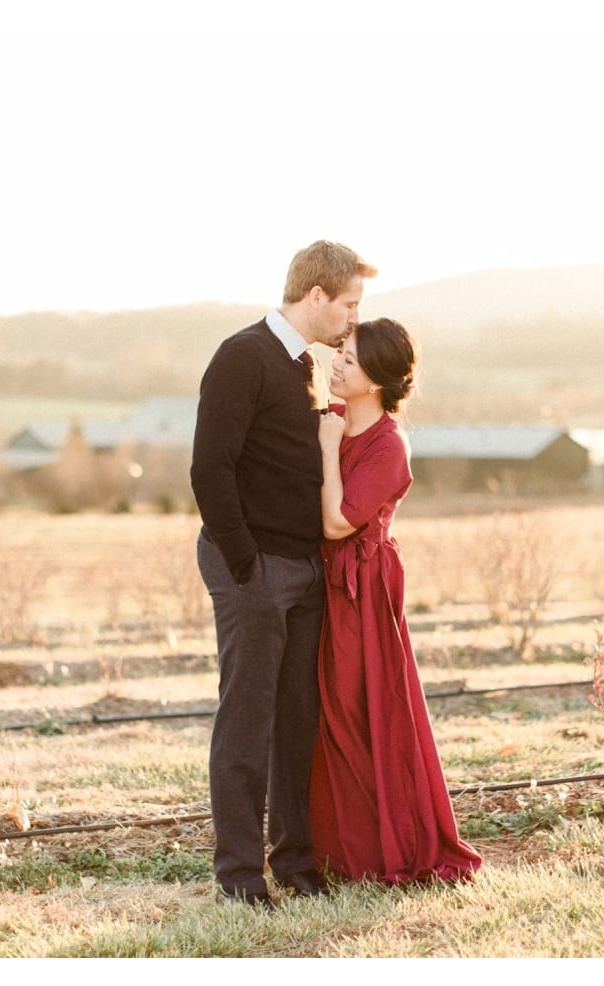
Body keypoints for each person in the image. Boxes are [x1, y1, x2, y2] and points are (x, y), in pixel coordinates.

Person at [190, 240, 378, 908]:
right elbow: (210, 468)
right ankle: (239, 876)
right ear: (317, 296)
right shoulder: (243, 356)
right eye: (350, 304)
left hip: (304, 569)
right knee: (247, 719)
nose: (356, 318)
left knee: (297, 721)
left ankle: (295, 863)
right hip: (255, 568)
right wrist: (245, 564)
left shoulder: (311, 367)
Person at [309, 317, 483, 885]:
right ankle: (334, 848)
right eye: (339, 353)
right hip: (321, 584)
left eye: (350, 361)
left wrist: (329, 449)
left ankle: (376, 848)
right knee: (325, 718)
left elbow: (337, 524)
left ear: (378, 380)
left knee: (360, 712)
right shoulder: (331, 421)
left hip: (362, 593)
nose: (336, 364)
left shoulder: (388, 445)